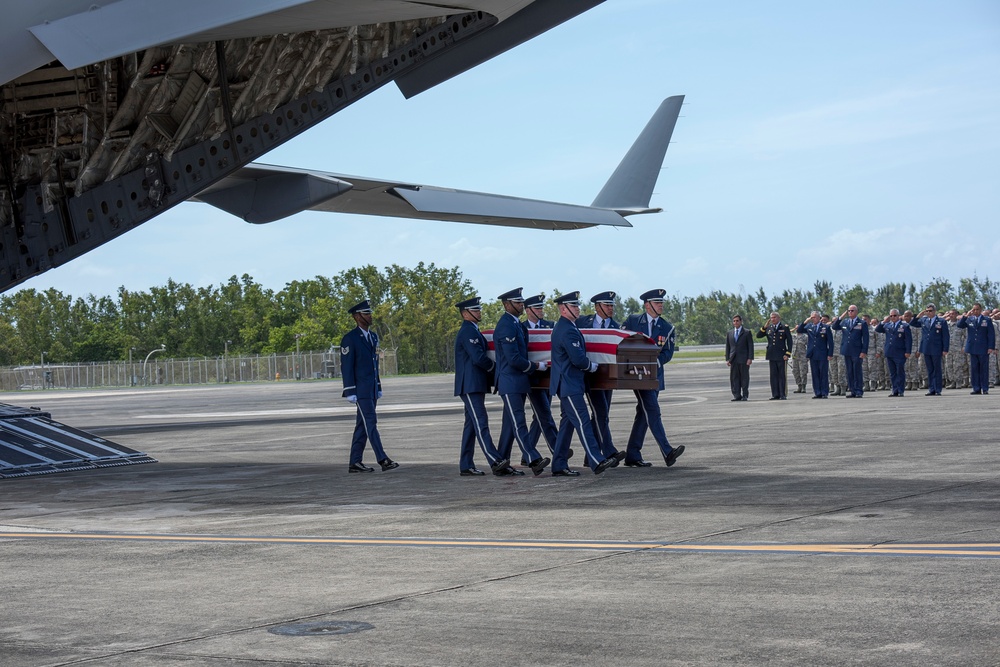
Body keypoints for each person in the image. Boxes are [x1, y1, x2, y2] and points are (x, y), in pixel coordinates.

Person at [548, 291, 617, 476]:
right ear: (563, 309)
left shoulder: (567, 327)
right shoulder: (567, 329)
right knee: (583, 421)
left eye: (578, 306)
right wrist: (592, 366)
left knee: (567, 424)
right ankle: (596, 459)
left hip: (570, 384)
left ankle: (559, 464)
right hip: (570, 384)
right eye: (574, 306)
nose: (578, 309)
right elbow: (578, 359)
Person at [453, 296, 519, 476]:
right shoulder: (468, 331)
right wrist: (496, 369)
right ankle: (495, 460)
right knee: (481, 422)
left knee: (472, 425)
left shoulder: (473, 330)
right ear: (465, 313)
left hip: (475, 384)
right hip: (470, 385)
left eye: (479, 309)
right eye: (475, 310)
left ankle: (466, 465)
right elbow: (478, 358)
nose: (479, 312)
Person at [620, 289, 685, 467]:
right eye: (657, 303)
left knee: (643, 414)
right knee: (652, 411)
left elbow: (668, 353)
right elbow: (622, 342)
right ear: (647, 305)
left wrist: (653, 363)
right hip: (637, 376)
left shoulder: (667, 327)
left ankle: (633, 454)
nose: (661, 305)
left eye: (662, 303)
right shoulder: (633, 322)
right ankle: (667, 451)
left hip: (655, 376)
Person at [493, 287, 551, 475]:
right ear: (506, 304)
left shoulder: (516, 324)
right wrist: (536, 367)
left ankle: (500, 462)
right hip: (510, 382)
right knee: (519, 423)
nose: (521, 305)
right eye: (517, 303)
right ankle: (533, 459)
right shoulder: (506, 325)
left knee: (510, 425)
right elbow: (513, 359)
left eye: (521, 302)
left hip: (518, 381)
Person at [340, 299, 398, 473]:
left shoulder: (373, 336)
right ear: (357, 317)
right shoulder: (350, 339)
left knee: (362, 425)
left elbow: (374, 365)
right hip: (360, 390)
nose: (370, 316)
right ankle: (383, 459)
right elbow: (347, 366)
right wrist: (349, 390)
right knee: (371, 423)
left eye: (370, 313)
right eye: (366, 313)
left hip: (371, 388)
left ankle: (355, 462)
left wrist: (378, 386)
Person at [574, 291, 626, 465]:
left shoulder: (616, 327)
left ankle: (590, 457)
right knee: (600, 413)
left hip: (608, 378)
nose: (611, 308)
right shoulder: (582, 322)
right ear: (597, 307)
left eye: (612, 305)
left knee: (601, 415)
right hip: (590, 375)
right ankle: (609, 451)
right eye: (607, 305)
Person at [522, 294, 560, 458]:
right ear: (528, 310)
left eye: (541, 307)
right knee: (544, 414)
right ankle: (557, 448)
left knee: (541, 415)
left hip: (547, 377)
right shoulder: (521, 327)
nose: (541, 310)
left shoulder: (550, 326)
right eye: (537, 308)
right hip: (531, 376)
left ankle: (527, 454)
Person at [956, 303, 997, 395]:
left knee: (984, 369)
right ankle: (976, 388)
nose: (975, 311)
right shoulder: (969, 319)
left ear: (981, 310)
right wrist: (965, 316)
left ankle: (985, 388)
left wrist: (991, 347)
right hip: (972, 347)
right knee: (974, 369)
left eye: (977, 309)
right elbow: (959, 325)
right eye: (974, 309)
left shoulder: (987, 320)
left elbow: (991, 334)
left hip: (983, 347)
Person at [910, 303, 950, 396]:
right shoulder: (924, 320)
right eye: (927, 311)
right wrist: (918, 316)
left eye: (930, 311)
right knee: (930, 369)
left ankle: (938, 389)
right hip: (926, 348)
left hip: (937, 347)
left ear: (934, 311)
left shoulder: (941, 321)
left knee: (937, 369)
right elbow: (912, 324)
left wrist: (945, 348)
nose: (928, 313)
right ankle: (931, 388)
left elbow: (945, 336)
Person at [831, 305, 869, 397]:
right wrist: (840, 317)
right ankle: (852, 391)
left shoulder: (861, 323)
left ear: (856, 312)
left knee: (857, 371)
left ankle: (859, 391)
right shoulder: (845, 322)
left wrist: (864, 351)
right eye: (849, 311)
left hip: (857, 350)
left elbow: (866, 338)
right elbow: (835, 326)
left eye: (852, 310)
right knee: (849, 371)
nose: (850, 312)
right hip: (847, 350)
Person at [874, 309, 912, 396]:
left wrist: (908, 351)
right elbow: (878, 329)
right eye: (891, 316)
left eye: (894, 315)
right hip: (889, 352)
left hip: (900, 352)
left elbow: (908, 340)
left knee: (900, 371)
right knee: (892, 373)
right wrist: (884, 321)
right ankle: (894, 390)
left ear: (898, 316)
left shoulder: (904, 326)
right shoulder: (887, 325)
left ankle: (900, 390)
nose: (893, 317)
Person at [797, 312, 834, 398]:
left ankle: (824, 392)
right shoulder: (809, 326)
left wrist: (830, 354)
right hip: (812, 354)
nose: (812, 319)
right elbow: (799, 330)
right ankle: (817, 392)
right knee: (815, 374)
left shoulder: (826, 327)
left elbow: (830, 342)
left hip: (822, 353)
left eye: (814, 317)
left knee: (823, 374)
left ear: (818, 318)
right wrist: (805, 321)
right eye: (811, 317)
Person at [756, 311, 793, 400]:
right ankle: (775, 394)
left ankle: (782, 394)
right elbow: (758, 336)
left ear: (778, 318)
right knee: (773, 376)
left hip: (781, 355)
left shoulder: (784, 327)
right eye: (771, 318)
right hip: (772, 355)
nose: (773, 319)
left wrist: (788, 353)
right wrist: (763, 328)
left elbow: (789, 341)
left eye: (774, 317)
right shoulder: (768, 328)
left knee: (781, 375)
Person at [725, 314, 753, 401]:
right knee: (734, 378)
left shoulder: (747, 332)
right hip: (733, 359)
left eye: (737, 321)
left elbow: (750, 346)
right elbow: (728, 347)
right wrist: (727, 359)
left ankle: (745, 395)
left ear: (741, 321)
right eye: (734, 321)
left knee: (744, 378)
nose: (735, 322)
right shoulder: (730, 333)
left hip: (744, 358)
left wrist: (750, 358)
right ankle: (736, 395)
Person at [791, 328, 809, 394]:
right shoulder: (793, 336)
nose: (797, 329)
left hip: (803, 356)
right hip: (794, 356)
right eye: (796, 328)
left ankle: (804, 386)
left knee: (803, 372)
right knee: (795, 371)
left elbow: (809, 346)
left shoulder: (805, 337)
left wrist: (808, 356)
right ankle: (799, 385)